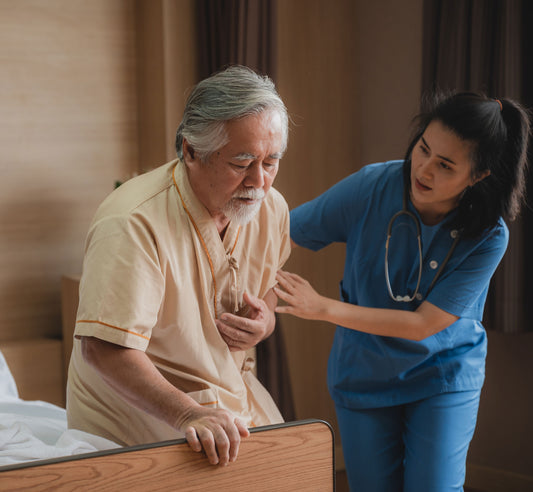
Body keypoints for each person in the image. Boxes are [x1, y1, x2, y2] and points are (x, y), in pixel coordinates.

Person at [274, 92, 530, 491]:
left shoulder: (489, 235)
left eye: (445, 165)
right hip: (364, 370)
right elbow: (280, 232)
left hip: (442, 373)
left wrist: (322, 307)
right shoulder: (371, 187)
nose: (424, 170)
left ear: (478, 176)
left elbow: (423, 324)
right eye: (423, 149)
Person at [66, 65, 291, 466]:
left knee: (295, 468)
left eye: (271, 162)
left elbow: (271, 282)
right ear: (190, 151)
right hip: (136, 412)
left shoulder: (270, 209)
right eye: (242, 163)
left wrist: (266, 319)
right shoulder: (133, 221)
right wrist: (187, 412)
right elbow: (102, 350)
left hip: (223, 395)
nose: (259, 181)